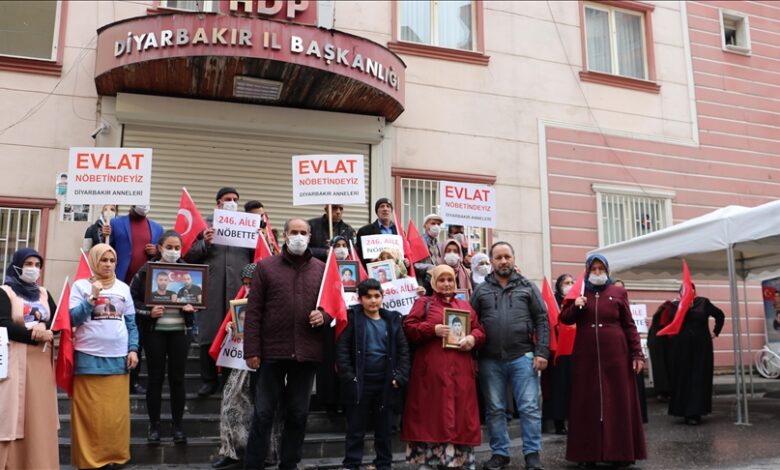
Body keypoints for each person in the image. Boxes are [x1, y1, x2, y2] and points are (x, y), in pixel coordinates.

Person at [243, 218, 331, 470]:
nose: (299, 236)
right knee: (263, 413)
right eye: (294, 232)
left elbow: (333, 306)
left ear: (311, 236)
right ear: (284, 235)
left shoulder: (322, 269)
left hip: (307, 353)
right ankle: (253, 464)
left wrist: (323, 315)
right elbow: (254, 312)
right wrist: (252, 350)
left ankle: (289, 464)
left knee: (298, 413)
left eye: (303, 232)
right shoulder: (265, 267)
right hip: (271, 352)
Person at [559, 254, 646, 468]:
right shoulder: (580, 292)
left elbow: (629, 325)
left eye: (601, 268)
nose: (597, 272)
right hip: (586, 358)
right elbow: (565, 318)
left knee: (617, 402)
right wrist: (577, 306)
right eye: (593, 269)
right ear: (588, 271)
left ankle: (621, 453)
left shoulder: (618, 292)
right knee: (586, 403)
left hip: (617, 356)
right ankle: (587, 453)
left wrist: (637, 354)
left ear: (606, 269)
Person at [471, 241, 549, 470]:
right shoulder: (481, 290)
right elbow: (471, 322)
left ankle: (532, 455)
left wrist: (542, 351)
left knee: (529, 407)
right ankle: (500, 453)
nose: (503, 261)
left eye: (507, 256)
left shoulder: (527, 286)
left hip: (523, 356)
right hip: (489, 359)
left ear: (513, 259)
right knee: (495, 409)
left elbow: (542, 319)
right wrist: (473, 355)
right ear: (492, 261)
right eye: (498, 257)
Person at [402, 265, 485, 470]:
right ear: (434, 282)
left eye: (450, 279)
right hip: (431, 374)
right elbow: (409, 328)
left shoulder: (464, 306)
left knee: (459, 417)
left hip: (460, 373)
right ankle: (431, 463)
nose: (446, 284)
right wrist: (433, 329)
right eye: (441, 280)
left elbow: (480, 330)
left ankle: (458, 462)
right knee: (431, 418)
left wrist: (472, 339)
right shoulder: (424, 303)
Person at [69, 243, 140, 469]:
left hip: (119, 359)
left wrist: (133, 349)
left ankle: (115, 457)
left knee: (114, 416)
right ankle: (90, 461)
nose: (108, 264)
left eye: (112, 261)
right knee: (89, 415)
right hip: (88, 358)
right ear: (93, 261)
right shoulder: (80, 286)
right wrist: (92, 297)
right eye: (103, 260)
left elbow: (131, 323)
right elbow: (72, 319)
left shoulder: (123, 288)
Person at [185, 187, 254, 396]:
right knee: (208, 334)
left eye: (235, 199)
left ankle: (230, 381)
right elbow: (189, 255)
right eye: (227, 199)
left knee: (235, 333)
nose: (231, 202)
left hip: (238, 289)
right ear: (218, 203)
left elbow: (257, 255)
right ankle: (208, 380)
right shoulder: (203, 225)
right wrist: (204, 242)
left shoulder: (246, 225)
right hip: (211, 290)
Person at [336, 278, 410, 470]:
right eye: (368, 297)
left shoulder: (393, 321)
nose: (373, 301)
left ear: (382, 297)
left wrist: (399, 377)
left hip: (386, 383)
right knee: (355, 428)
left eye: (377, 296)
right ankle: (352, 464)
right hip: (360, 383)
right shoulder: (352, 319)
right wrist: (349, 377)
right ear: (360, 299)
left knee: (384, 429)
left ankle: (384, 463)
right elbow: (342, 350)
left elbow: (403, 352)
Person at [130, 230, 196, 445]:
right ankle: (154, 426)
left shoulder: (190, 273)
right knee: (155, 380)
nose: (173, 251)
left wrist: (191, 309)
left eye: (177, 247)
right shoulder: (146, 271)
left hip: (181, 333)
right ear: (159, 247)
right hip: (154, 333)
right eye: (169, 247)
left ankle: (178, 426)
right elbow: (132, 301)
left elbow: (200, 302)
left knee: (178, 380)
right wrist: (149, 313)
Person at [0, 248, 59, 469]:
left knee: (38, 417)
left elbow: (57, 322)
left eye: (37, 264)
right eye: (28, 264)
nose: (33, 269)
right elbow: (2, 323)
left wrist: (48, 330)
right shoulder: (5, 292)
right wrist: (34, 335)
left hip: (41, 364)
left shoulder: (43, 292)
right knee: (12, 413)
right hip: (15, 360)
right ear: (16, 265)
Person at [110, 204, 163, 395]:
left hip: (146, 290)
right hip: (120, 285)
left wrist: (155, 252)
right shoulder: (115, 223)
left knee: (138, 334)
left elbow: (162, 255)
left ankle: (134, 379)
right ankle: (119, 374)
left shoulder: (157, 228)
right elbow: (107, 250)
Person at [667, 284, 725, 425]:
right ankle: (683, 411)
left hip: (701, 348)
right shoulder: (674, 306)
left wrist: (715, 332)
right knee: (684, 378)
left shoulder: (703, 302)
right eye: (684, 291)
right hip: (682, 348)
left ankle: (695, 412)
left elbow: (720, 315)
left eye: (690, 291)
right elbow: (671, 324)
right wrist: (683, 308)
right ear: (679, 293)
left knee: (699, 378)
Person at [541, 274, 574, 435]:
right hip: (558, 353)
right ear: (559, 285)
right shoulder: (553, 302)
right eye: (566, 283)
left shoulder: (577, 301)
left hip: (574, 352)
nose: (570, 285)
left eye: (572, 282)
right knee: (557, 388)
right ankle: (558, 422)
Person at [355, 198, 398, 267]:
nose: (385, 209)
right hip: (374, 271)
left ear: (391, 211)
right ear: (377, 211)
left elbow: (404, 253)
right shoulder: (365, 231)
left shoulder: (399, 231)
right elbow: (359, 255)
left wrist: (406, 261)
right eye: (382, 206)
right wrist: (370, 261)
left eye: (388, 206)